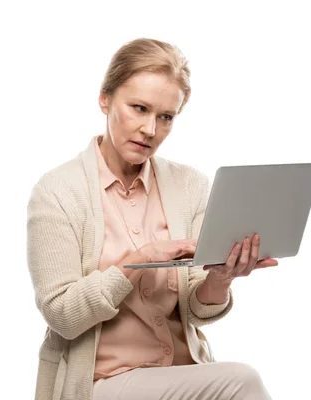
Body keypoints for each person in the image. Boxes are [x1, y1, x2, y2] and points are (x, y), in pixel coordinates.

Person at [27, 38, 279, 400]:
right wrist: (135, 264)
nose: (150, 129)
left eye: (165, 117)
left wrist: (220, 278)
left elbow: (194, 309)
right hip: (101, 384)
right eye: (139, 108)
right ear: (105, 99)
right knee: (242, 381)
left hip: (181, 376)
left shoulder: (189, 185)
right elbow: (62, 315)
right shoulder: (57, 192)